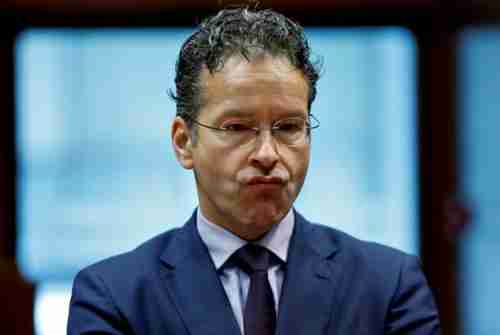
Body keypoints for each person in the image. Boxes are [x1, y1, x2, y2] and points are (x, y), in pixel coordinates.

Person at [67, 7, 441, 335]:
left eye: (289, 127)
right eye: (237, 128)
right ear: (184, 142)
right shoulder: (114, 296)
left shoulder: (388, 285)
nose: (266, 153)